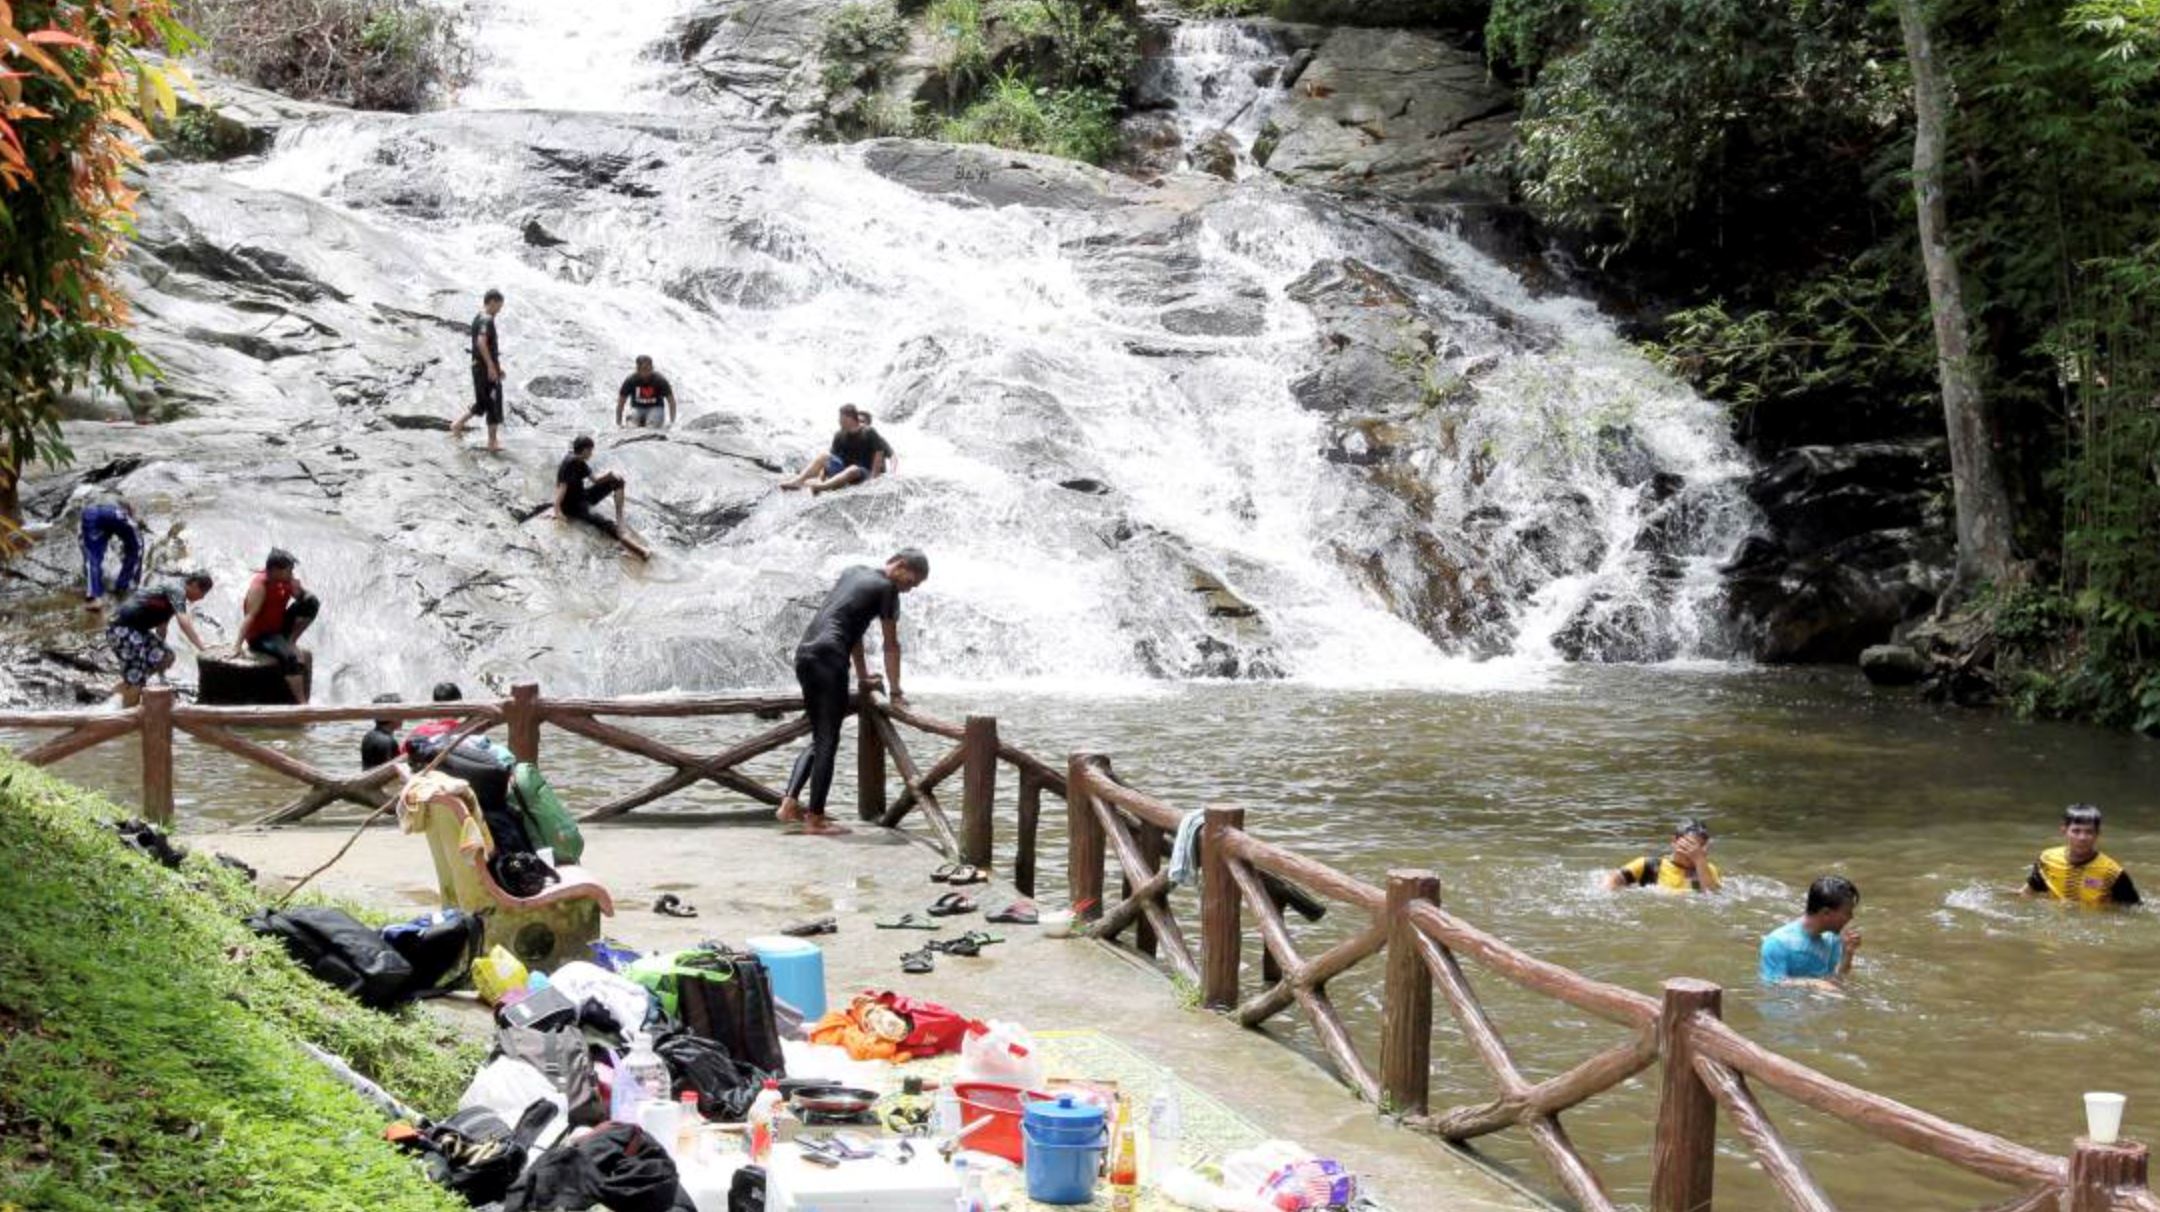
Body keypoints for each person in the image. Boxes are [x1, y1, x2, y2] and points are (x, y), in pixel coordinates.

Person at [776, 550, 930, 836]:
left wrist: (861, 676)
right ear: (901, 565)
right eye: (913, 581)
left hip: (806, 654)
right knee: (828, 741)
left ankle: (789, 804)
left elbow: (854, 632)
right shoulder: (887, 589)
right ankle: (815, 819)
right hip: (830, 658)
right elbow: (891, 645)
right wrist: (896, 692)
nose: (911, 588)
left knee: (820, 735)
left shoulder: (853, 572)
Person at [106, 572, 213, 706]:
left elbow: (162, 626)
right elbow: (183, 621)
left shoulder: (175, 592)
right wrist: (202, 648)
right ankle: (128, 715)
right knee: (137, 680)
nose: (202, 598)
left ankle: (126, 686)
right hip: (122, 628)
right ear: (194, 585)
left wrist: (160, 646)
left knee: (166, 656)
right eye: (203, 593)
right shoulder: (177, 589)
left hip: (137, 630)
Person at [235, 548, 320, 703]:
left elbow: (303, 599)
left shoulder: (285, 581)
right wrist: (237, 646)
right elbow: (250, 617)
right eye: (289, 570)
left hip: (278, 628)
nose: (291, 573)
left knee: (312, 602)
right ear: (275, 570)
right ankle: (302, 703)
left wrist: (300, 591)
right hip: (261, 635)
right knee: (290, 657)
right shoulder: (260, 586)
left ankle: (291, 640)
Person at [554, 435, 652, 560]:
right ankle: (640, 551)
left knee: (618, 481)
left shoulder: (580, 462)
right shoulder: (569, 463)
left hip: (584, 496)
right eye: (590, 450)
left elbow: (595, 480)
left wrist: (610, 475)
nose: (591, 453)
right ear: (584, 450)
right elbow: (561, 486)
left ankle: (620, 518)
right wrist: (557, 511)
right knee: (605, 523)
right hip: (575, 506)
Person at [2022, 803, 2140, 906]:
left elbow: (2131, 909)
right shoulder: (2047, 859)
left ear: (2097, 834)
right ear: (2064, 831)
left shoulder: (2112, 872)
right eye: (2076, 831)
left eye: (2089, 832)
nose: (2082, 838)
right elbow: (2029, 892)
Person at [1759, 876, 1862, 989]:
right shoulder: (1778, 942)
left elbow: (1835, 980)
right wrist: (1814, 983)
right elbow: (1773, 983)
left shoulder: (1832, 938)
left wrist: (1847, 954)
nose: (1851, 917)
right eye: (1847, 912)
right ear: (1826, 913)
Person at [779, 405, 895, 495]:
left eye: (842, 419)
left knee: (853, 469)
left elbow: (884, 456)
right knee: (824, 456)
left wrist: (876, 479)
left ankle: (822, 487)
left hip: (863, 472)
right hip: (844, 470)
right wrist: (821, 478)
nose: (839, 421)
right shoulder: (840, 435)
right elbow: (831, 460)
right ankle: (799, 481)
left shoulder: (871, 434)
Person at [451, 288, 506, 452]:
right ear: (492, 302)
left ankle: (458, 424)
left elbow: (486, 346)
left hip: (480, 367)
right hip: (483, 368)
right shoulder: (486, 319)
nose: (500, 310)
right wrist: (490, 367)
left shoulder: (479, 317)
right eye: (499, 306)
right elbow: (481, 343)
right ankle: (492, 442)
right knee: (493, 401)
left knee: (483, 402)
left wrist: (497, 367)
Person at [1605, 819, 1722, 893]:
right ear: (1674, 841)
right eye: (1689, 844)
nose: (1692, 852)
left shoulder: (1706, 870)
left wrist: (1699, 861)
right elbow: (1612, 880)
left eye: (1699, 847)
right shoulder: (1648, 865)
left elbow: (1712, 899)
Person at [80, 498, 143, 609]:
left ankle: (94, 597)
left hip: (90, 513)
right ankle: (126, 585)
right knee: (137, 546)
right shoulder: (123, 501)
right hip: (114, 512)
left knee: (92, 556)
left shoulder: (97, 496)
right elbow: (131, 512)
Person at [615, 356, 677, 429]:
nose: (646, 372)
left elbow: (671, 401)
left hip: (656, 408)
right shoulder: (630, 380)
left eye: (649, 368)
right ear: (637, 369)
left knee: (652, 424)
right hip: (637, 408)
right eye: (643, 369)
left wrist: (672, 422)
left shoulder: (660, 380)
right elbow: (621, 403)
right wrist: (619, 423)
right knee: (631, 424)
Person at [361, 693, 403, 769]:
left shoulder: (368, 736)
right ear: (392, 715)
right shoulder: (387, 741)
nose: (404, 717)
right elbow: (388, 772)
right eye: (401, 713)